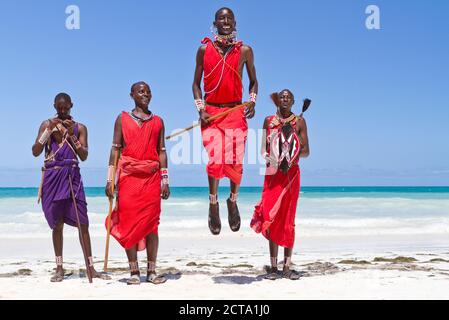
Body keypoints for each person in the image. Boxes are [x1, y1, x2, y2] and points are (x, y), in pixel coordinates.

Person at [192, 7, 258, 235]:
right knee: (215, 159)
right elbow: (195, 84)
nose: (226, 21)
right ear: (215, 23)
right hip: (211, 112)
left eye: (230, 18)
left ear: (235, 23)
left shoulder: (245, 51)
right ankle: (213, 204)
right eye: (222, 18)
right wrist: (201, 110)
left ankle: (232, 200)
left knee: (235, 161)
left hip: (235, 111)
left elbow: (254, 82)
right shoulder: (203, 50)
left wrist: (252, 100)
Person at [32, 93, 108, 282]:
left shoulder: (80, 127)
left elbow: (84, 155)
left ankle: (91, 268)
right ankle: (59, 268)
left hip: (72, 176)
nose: (63, 110)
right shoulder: (46, 124)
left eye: (66, 107)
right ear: (54, 106)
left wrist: (72, 136)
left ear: (71, 105)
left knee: (83, 223)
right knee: (57, 224)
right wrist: (47, 133)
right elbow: (35, 151)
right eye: (59, 107)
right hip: (53, 176)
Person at [105, 82, 170, 285]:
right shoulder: (122, 119)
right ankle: (134, 271)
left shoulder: (158, 121)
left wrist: (165, 179)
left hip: (151, 178)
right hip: (128, 178)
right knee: (129, 224)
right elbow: (115, 150)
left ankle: (151, 271)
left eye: (148, 91)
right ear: (131, 95)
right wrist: (110, 178)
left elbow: (162, 151)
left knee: (152, 225)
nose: (146, 94)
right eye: (141, 91)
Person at [250, 89, 310, 280]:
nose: (285, 99)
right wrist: (274, 158)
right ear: (277, 101)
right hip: (272, 174)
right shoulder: (268, 121)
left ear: (293, 101)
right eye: (282, 97)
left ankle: (286, 267)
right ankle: (273, 268)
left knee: (288, 219)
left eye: (288, 97)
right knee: (270, 216)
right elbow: (262, 149)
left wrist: (290, 158)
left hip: (291, 175)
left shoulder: (299, 121)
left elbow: (306, 150)